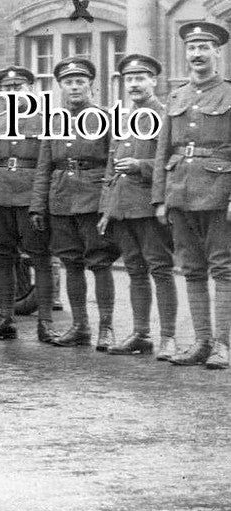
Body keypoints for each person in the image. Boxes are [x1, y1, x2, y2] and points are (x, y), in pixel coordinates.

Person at [152, 22, 231, 369]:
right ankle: (201, 341)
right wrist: (159, 198)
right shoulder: (177, 97)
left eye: (204, 47)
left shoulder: (229, 93)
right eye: (192, 48)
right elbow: (162, 150)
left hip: (218, 192)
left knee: (223, 269)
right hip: (179, 192)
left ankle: (222, 345)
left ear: (217, 52)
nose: (197, 54)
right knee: (192, 269)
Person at [30, 57, 120, 350]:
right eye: (68, 82)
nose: (74, 87)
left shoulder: (105, 118)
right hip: (61, 199)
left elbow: (113, 164)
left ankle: (106, 328)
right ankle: (80, 326)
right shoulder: (54, 120)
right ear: (61, 86)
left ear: (90, 84)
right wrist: (38, 206)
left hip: (92, 198)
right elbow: (44, 166)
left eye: (80, 81)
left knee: (100, 262)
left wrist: (107, 205)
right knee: (71, 262)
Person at [97, 54, 178, 359]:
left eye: (140, 78)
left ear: (153, 81)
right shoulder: (122, 118)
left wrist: (141, 165)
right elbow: (110, 167)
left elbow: (171, 160)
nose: (134, 84)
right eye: (129, 79)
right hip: (122, 208)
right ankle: (141, 334)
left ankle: (168, 337)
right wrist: (106, 209)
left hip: (149, 204)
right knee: (134, 270)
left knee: (160, 269)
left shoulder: (166, 115)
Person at [0, 66, 57, 341]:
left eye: (18, 87)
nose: (12, 92)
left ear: (30, 89)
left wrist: (40, 203)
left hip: (30, 196)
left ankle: (45, 322)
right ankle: (6, 319)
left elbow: (49, 166)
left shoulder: (46, 122)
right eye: (7, 89)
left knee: (40, 257)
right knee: (2, 256)